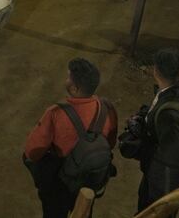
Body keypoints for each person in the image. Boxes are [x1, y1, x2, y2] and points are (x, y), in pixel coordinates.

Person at [23, 58, 118, 218]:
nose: (66, 80)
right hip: (91, 178)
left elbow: (32, 152)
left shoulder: (56, 113)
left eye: (68, 77)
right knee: (83, 211)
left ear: (74, 88)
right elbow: (111, 143)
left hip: (62, 181)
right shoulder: (107, 108)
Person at [134, 49, 179, 214]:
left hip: (162, 185)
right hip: (166, 178)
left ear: (155, 72)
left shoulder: (170, 115)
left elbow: (170, 159)